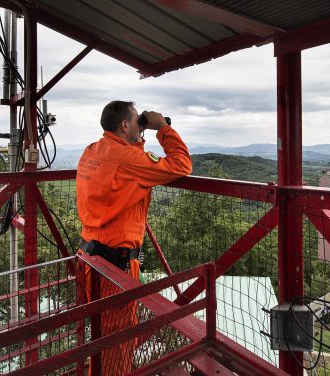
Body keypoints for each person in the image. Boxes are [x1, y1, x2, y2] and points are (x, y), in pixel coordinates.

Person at [75, 100, 192, 375]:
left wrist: (138, 138)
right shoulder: (127, 159)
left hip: (89, 257)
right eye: (136, 120)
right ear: (125, 124)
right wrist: (162, 128)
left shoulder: (92, 150)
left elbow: (128, 166)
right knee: (118, 340)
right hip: (115, 264)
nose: (141, 124)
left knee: (98, 335)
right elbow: (181, 165)